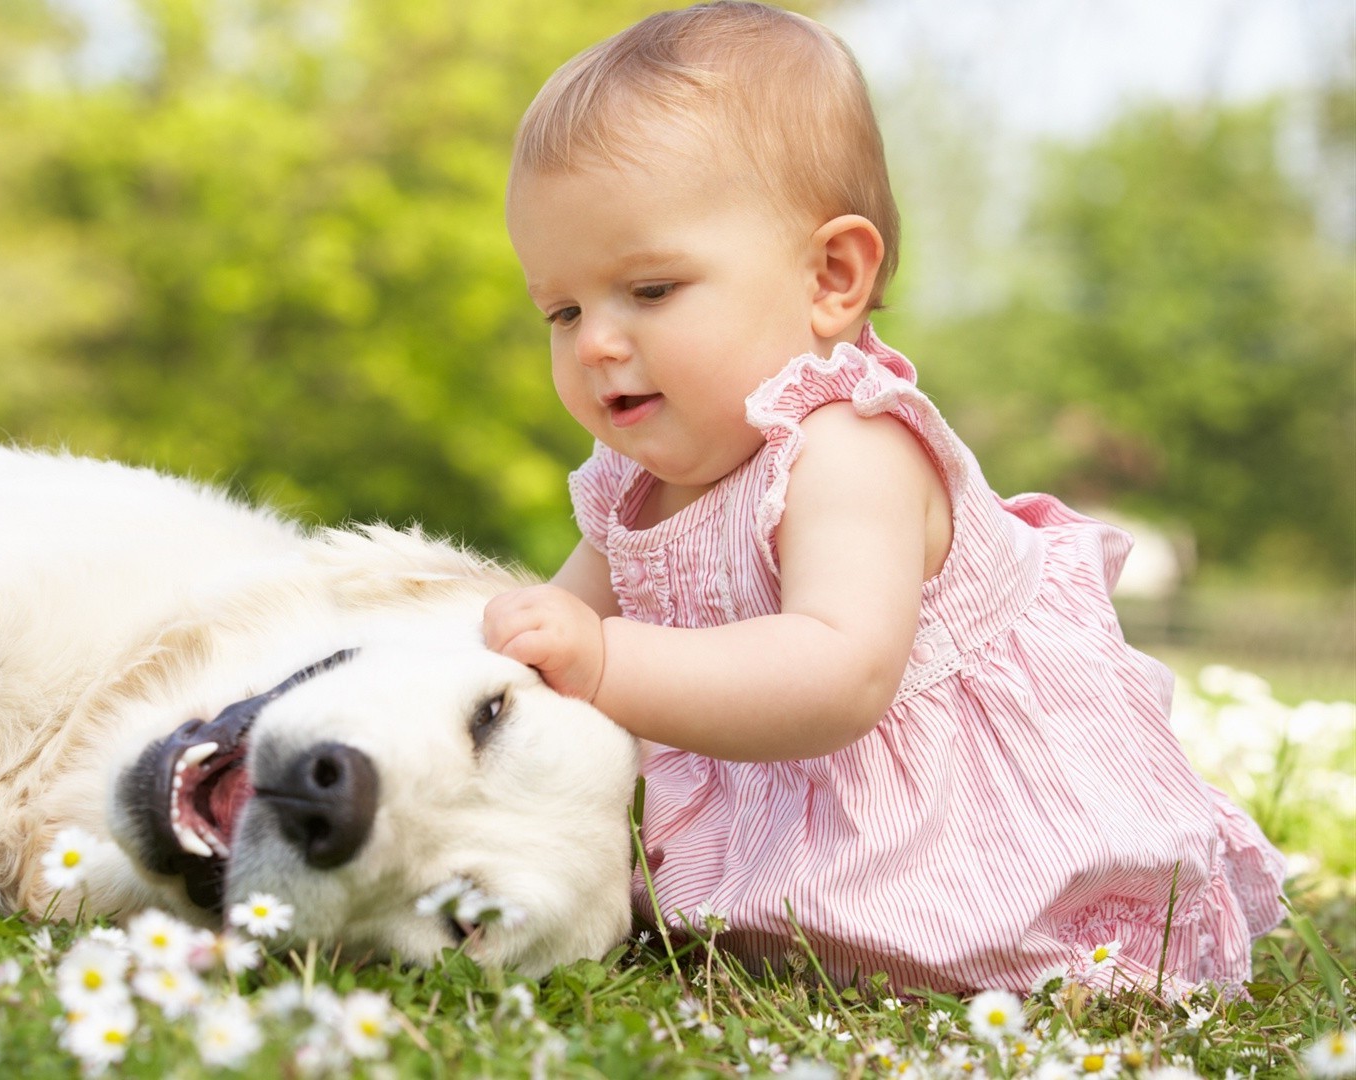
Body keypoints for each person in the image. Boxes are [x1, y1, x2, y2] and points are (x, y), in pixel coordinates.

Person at [482, 0, 1285, 994]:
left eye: (648, 291)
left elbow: (836, 674)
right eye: (562, 309)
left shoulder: (850, 445)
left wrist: (601, 660)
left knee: (1017, 950)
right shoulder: (631, 488)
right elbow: (556, 627)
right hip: (792, 826)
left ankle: (1026, 945)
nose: (596, 342)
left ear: (832, 276)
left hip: (958, 833)